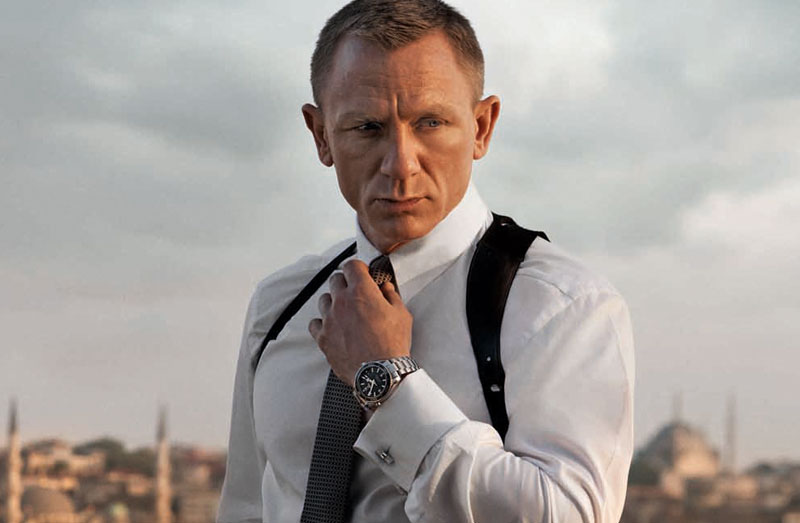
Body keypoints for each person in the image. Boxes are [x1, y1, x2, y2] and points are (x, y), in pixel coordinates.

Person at [217, 0, 635, 522]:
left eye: (430, 122)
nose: (401, 164)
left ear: (481, 127)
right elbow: (247, 507)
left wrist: (388, 384)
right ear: (321, 135)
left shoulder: (562, 306)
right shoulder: (279, 306)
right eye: (367, 127)